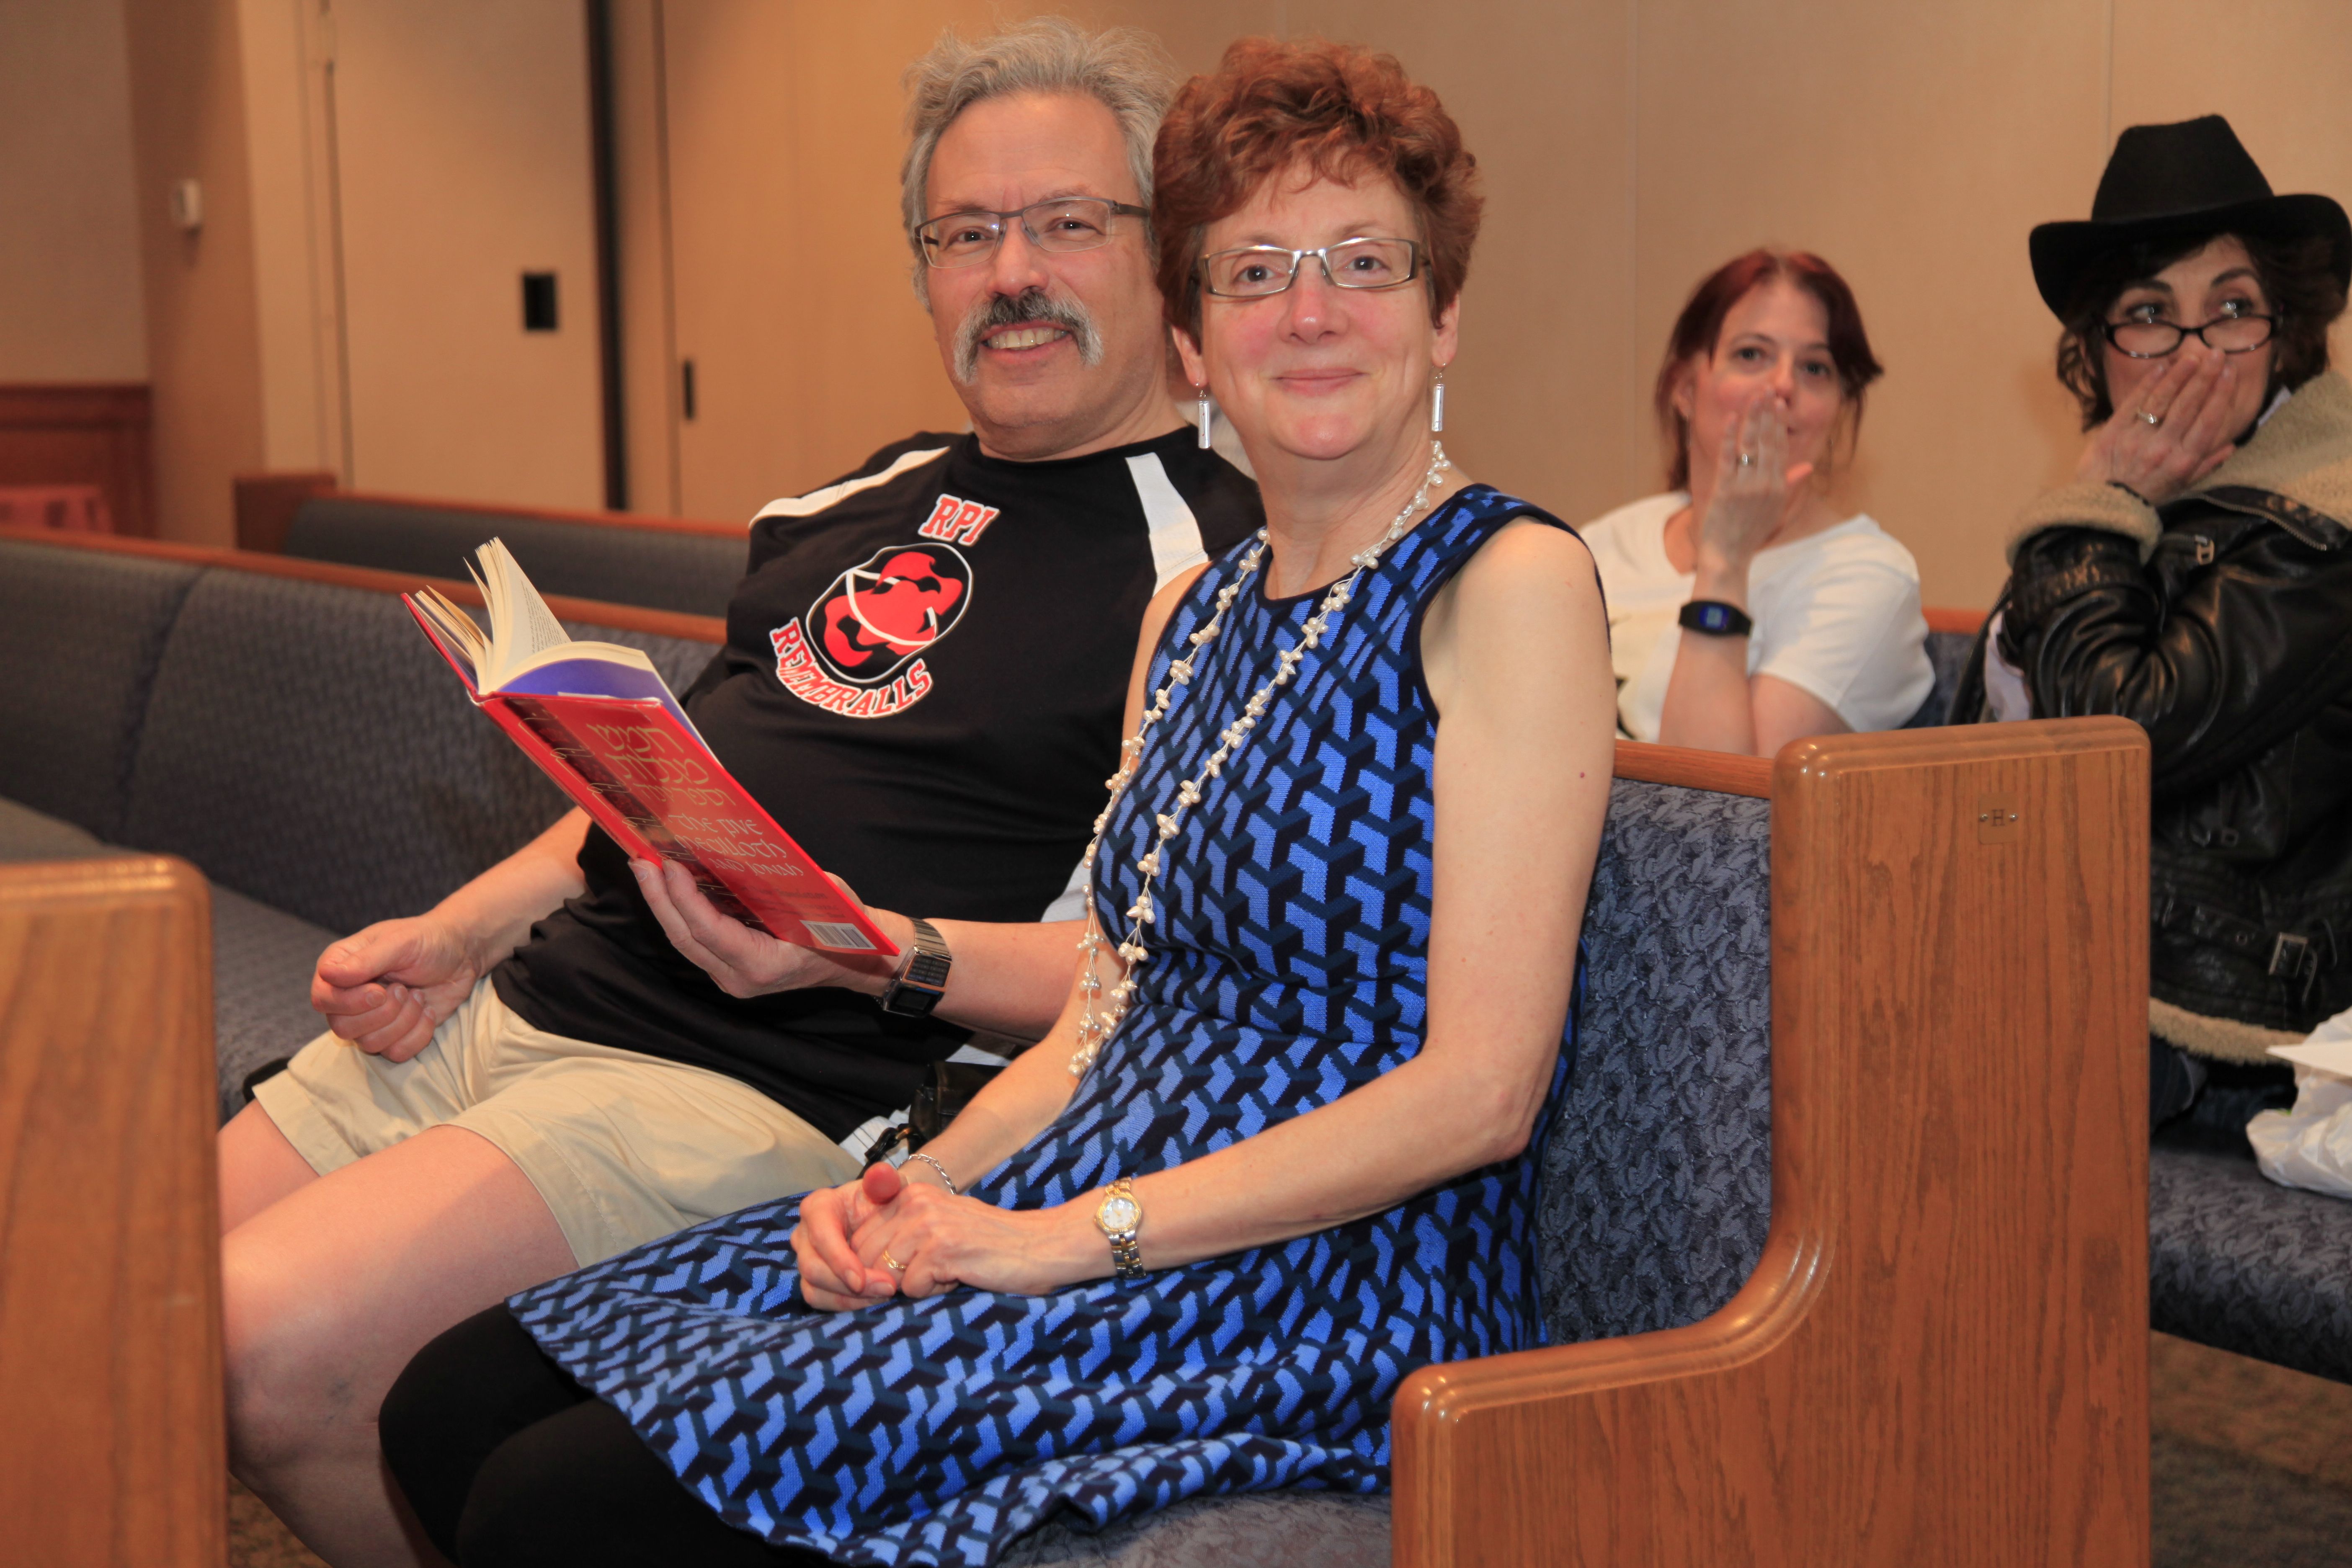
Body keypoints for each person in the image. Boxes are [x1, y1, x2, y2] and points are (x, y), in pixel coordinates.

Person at [376, 37, 1614, 1567]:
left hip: (1320, 1269)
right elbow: (1105, 1005)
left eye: (1364, 263)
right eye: (1254, 272)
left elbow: (1481, 1091)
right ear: (1192, 334)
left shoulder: (1506, 580)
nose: (1309, 312)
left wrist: (1055, 1240)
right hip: (1093, 1177)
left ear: (1443, 315)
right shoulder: (1192, 617)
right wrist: (914, 1184)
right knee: (453, 1399)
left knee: (558, 1504)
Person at [217, 20, 1262, 1564]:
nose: (1010, 273)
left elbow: (1162, 970)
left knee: (255, 1346)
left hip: (750, 1089)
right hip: (531, 1001)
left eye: (1064, 223)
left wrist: (866, 949)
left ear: (1163, 257)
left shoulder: (1216, 571)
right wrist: (457, 935)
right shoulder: (848, 501)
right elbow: (665, 787)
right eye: (965, 233)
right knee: (120, 1288)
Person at [1951, 114, 2352, 1131]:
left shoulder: (2325, 517)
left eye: (2232, 309)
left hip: (2209, 1022)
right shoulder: (2129, 511)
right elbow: (1991, 764)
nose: (2194, 354)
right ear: (2100, 353)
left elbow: (2114, 736)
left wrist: (2094, 509)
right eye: (2148, 314)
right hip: (2040, 947)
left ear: (2285, 334)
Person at [1581, 250, 1931, 754]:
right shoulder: (1604, 543)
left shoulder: (1868, 579)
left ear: (1837, 408)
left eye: (1815, 367)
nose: (1784, 385)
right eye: (1751, 355)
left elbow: (1717, 795)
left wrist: (1725, 560)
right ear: (1685, 388)